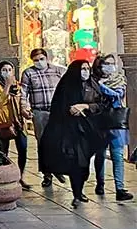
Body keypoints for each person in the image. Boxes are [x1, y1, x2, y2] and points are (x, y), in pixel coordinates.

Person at [39, 60, 106, 208]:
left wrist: (86, 106)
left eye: (87, 69)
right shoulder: (66, 86)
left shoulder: (93, 85)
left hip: (88, 130)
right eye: (82, 69)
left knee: (84, 163)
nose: (85, 71)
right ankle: (76, 193)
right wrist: (69, 110)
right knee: (76, 161)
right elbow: (57, 107)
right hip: (69, 131)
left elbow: (101, 105)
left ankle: (79, 190)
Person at [20, 48, 66, 188]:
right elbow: (23, 93)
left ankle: (57, 167)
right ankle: (47, 174)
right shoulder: (29, 73)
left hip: (57, 112)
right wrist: (25, 109)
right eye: (36, 60)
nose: (39, 62)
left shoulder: (59, 71)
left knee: (59, 141)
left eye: (41, 59)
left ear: (46, 58)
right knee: (43, 143)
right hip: (39, 113)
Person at [92, 54, 132, 200]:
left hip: (115, 123)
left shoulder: (119, 80)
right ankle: (100, 183)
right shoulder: (93, 81)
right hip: (99, 121)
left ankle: (120, 189)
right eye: (107, 63)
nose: (111, 66)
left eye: (112, 63)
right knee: (100, 154)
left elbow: (117, 95)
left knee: (118, 156)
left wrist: (101, 86)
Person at [0, 61, 30, 189]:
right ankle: (4, 177)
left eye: (9, 69)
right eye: (4, 69)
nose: (7, 72)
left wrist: (25, 111)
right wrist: (7, 86)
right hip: (4, 122)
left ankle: (20, 177)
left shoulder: (18, 85)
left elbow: (22, 101)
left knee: (23, 149)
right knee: (4, 151)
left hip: (18, 121)